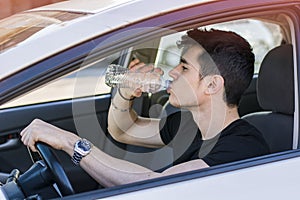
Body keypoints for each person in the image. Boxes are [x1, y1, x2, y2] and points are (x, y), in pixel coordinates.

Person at [20, 29, 270, 188]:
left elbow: (157, 186)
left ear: (213, 84)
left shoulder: (244, 146)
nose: (172, 72)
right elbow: (124, 130)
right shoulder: (189, 125)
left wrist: (70, 143)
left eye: (183, 68)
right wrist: (125, 94)